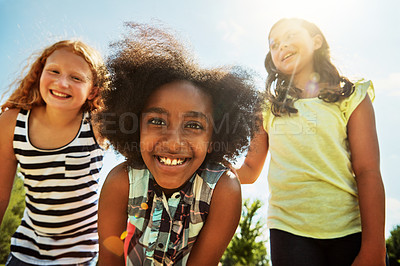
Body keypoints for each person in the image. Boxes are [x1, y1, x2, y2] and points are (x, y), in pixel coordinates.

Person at [96, 22, 260, 265]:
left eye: (193, 125)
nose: (173, 142)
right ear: (134, 128)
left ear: (214, 140)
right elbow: (109, 260)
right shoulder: (121, 182)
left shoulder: (223, 190)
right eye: (157, 121)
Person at [237, 18, 386, 266]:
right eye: (273, 44)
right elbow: (250, 170)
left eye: (290, 36)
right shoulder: (265, 107)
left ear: (316, 41)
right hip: (288, 231)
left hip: (350, 230)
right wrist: (205, 164)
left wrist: (374, 250)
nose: (281, 46)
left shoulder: (352, 96)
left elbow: (367, 170)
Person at [0, 40, 109, 265]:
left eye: (76, 77)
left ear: (93, 91)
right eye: (54, 71)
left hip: (80, 256)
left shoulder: (96, 125)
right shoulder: (13, 122)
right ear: (40, 74)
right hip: (25, 251)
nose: (62, 82)